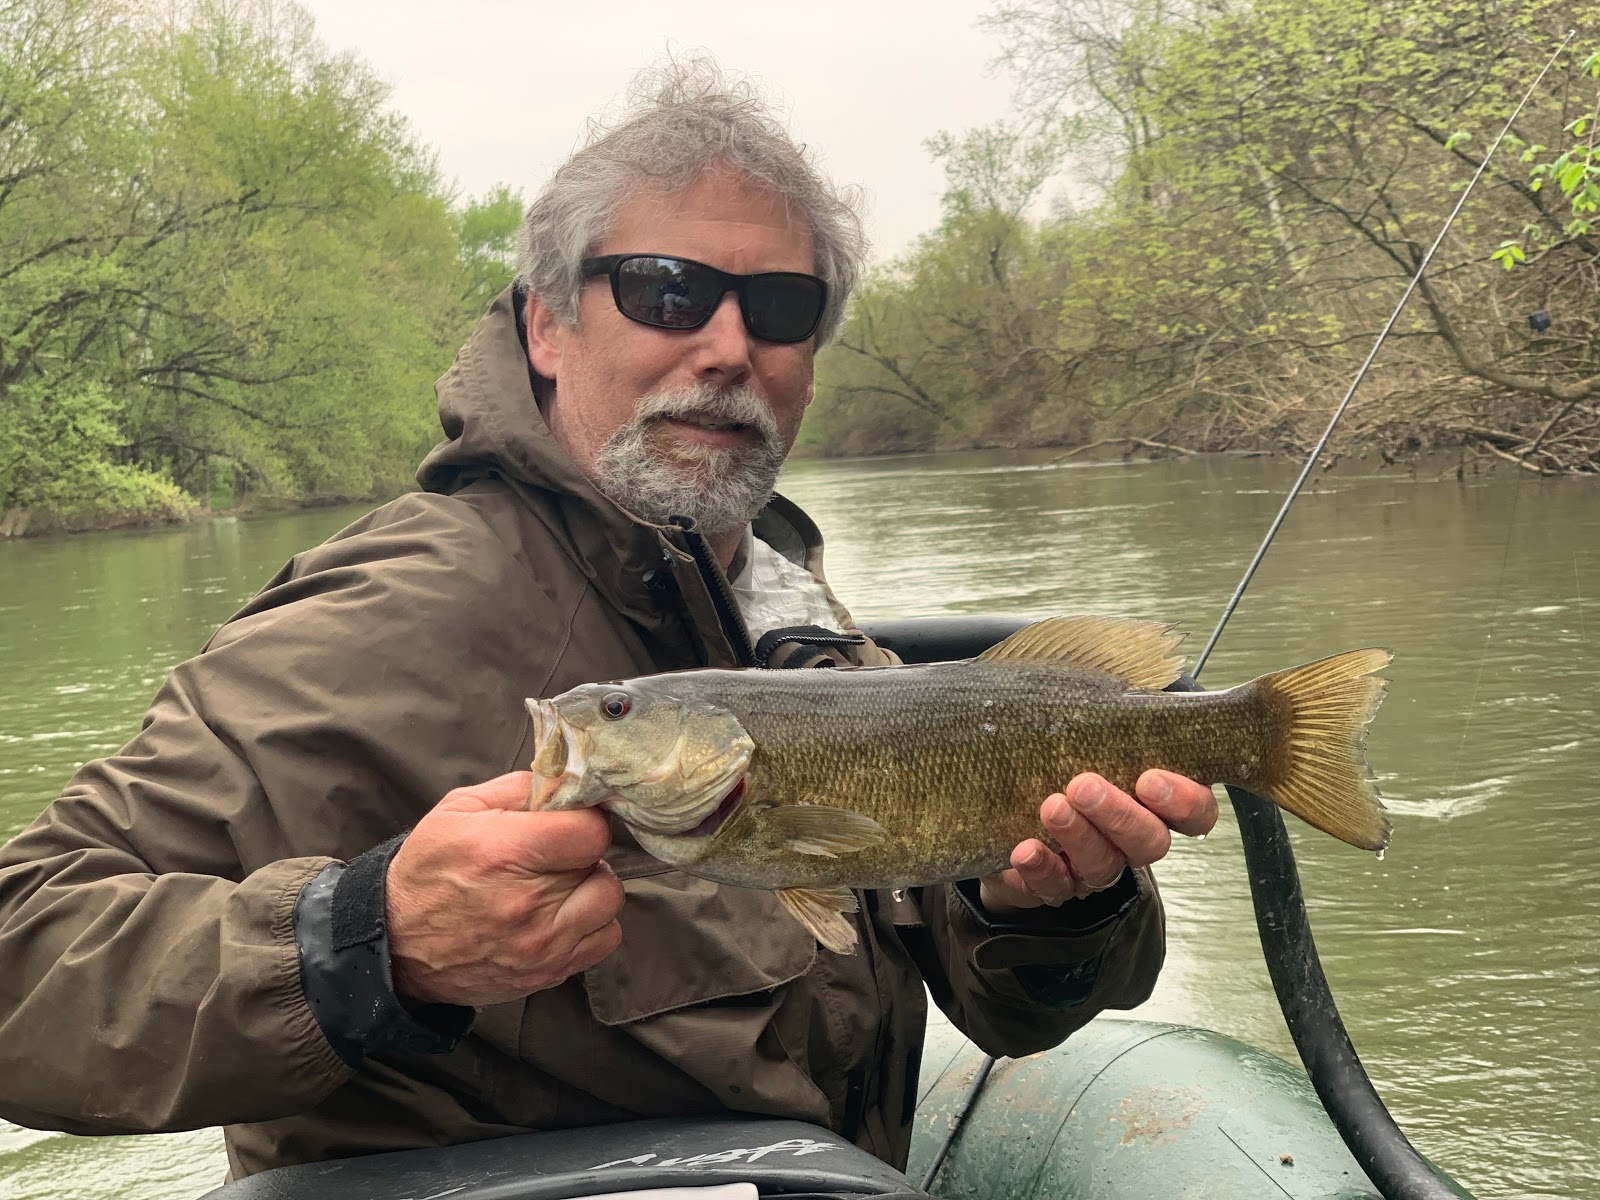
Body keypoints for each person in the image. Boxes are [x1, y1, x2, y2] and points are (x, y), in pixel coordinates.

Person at [0, 61, 1217, 1184]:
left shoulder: (804, 625)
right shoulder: (382, 620)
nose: (728, 347)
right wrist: (370, 943)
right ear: (546, 323)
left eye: (780, 305)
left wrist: (1049, 906)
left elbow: (1012, 1013)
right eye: (666, 290)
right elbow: (24, 944)